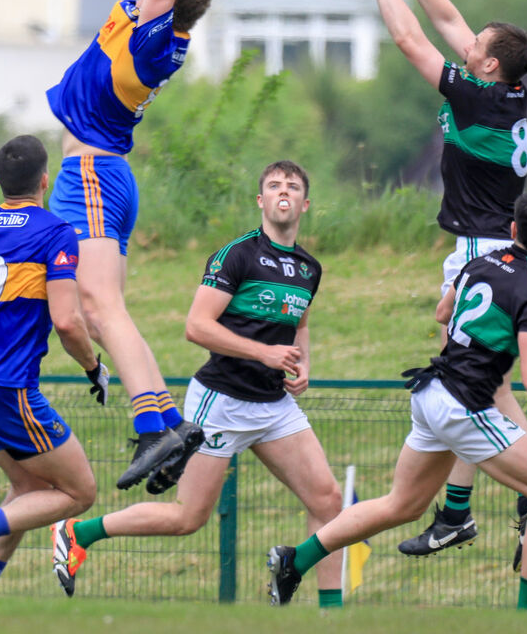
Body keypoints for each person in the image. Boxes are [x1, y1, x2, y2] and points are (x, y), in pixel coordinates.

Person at [267, 190, 527, 611]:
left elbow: (443, 314)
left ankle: (295, 560)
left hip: (431, 394)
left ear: (513, 229)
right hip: (465, 406)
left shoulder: (478, 263)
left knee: (402, 504)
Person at [45, 0, 259, 491]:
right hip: (105, 176)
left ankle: (153, 429)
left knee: (101, 309)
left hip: (93, 174)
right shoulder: (166, 32)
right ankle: (168, 421)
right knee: (99, 306)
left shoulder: (151, 30)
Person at [50, 160, 345, 607]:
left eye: (293, 186)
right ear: (261, 200)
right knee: (187, 518)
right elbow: (197, 327)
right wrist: (264, 353)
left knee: (328, 499)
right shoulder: (238, 255)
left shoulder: (309, 268)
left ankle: (325, 606)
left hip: (274, 405)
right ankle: (78, 532)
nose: (283, 190)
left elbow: (299, 323)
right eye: (273, 185)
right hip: (222, 401)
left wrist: (303, 362)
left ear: (305, 203)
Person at [358, 0, 527, 561]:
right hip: (493, 247)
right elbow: (448, 23)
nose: (467, 44)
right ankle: (466, 509)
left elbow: (413, 39)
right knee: (483, 386)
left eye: (477, 47)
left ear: (488, 67)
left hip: (479, 253)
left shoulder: (480, 97)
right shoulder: (506, 90)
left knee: (471, 386)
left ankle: (514, 494)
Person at [0, 134, 108, 600]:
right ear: (45, 180)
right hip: (8, 388)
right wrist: (94, 368)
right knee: (79, 492)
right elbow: (68, 322)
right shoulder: (54, 233)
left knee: (29, 487)